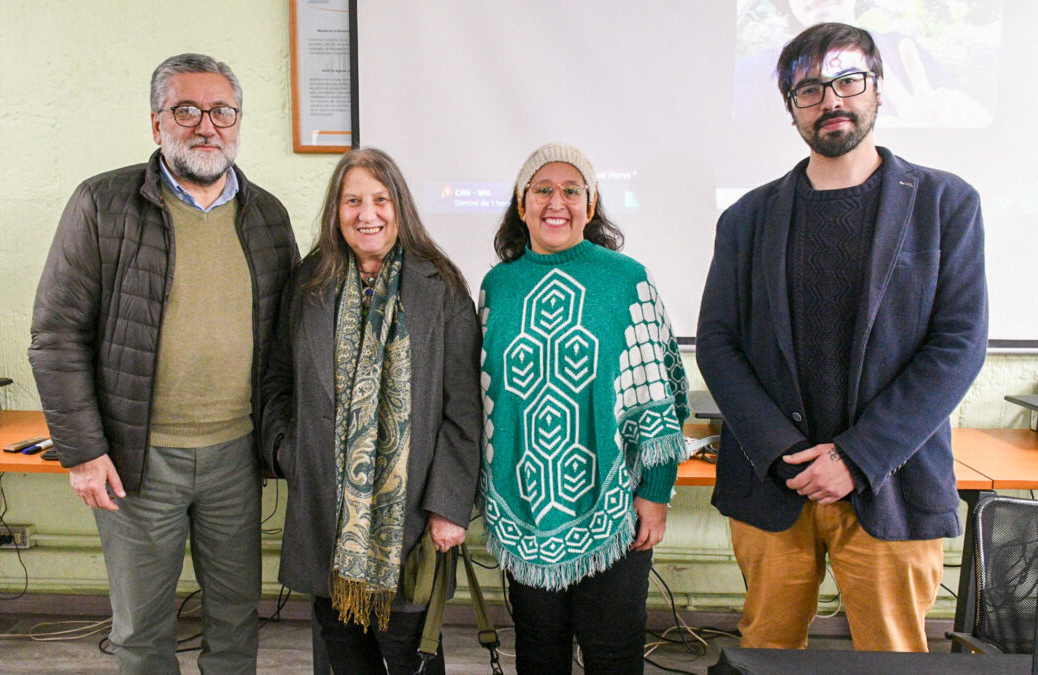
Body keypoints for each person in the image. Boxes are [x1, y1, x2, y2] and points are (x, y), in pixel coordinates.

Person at [697, 23, 988, 651]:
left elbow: (959, 344)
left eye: (847, 81)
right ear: (791, 109)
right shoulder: (746, 218)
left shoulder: (946, 203)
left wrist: (856, 457)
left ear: (878, 90)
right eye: (808, 90)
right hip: (775, 483)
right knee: (763, 655)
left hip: (893, 484)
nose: (831, 100)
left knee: (894, 656)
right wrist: (783, 454)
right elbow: (718, 343)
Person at [29, 53, 298, 672]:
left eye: (222, 111)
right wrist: (83, 451)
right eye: (187, 110)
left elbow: (286, 345)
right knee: (142, 631)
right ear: (157, 124)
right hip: (134, 459)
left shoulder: (268, 216)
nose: (207, 125)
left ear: (238, 121)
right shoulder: (102, 204)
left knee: (235, 622)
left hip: (236, 454)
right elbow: (56, 335)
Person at [260, 148, 481, 674]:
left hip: (410, 525)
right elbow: (276, 381)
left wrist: (450, 506)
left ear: (399, 207)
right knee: (340, 662)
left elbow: (464, 409)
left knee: (414, 660)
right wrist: (288, 452)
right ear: (336, 211)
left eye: (381, 200)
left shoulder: (441, 287)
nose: (368, 214)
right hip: (326, 519)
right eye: (353, 200)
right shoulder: (309, 282)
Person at [478, 142, 691, 673]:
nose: (557, 201)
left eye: (572, 190)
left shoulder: (625, 280)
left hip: (614, 509)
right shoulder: (496, 286)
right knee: (538, 652)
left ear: (590, 206)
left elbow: (657, 393)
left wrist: (655, 493)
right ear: (521, 204)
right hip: (525, 510)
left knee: (613, 654)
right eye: (542, 189)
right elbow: (485, 399)